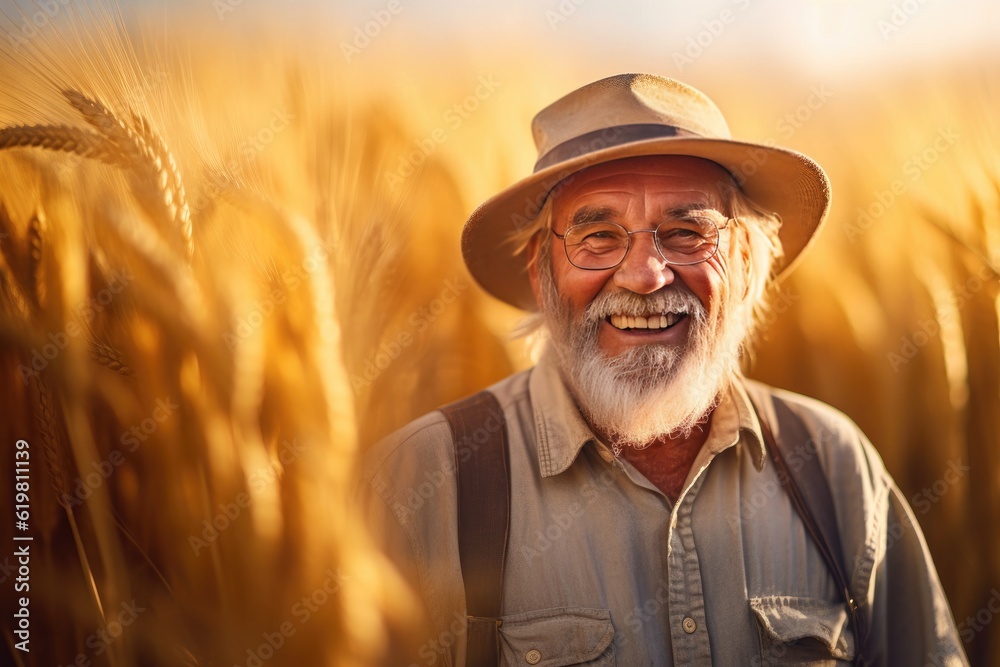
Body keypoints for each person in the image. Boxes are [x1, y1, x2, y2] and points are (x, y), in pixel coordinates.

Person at [360, 73, 968, 666]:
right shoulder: (424, 485)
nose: (646, 276)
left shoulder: (833, 466)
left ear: (748, 260)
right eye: (597, 236)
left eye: (686, 233)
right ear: (538, 273)